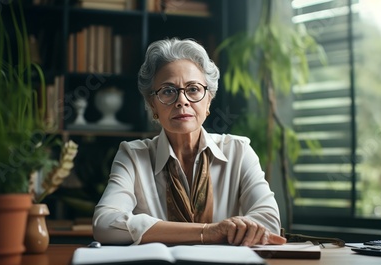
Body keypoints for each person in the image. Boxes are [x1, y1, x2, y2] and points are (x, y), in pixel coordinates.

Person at [93, 38, 286, 247]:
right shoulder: (132, 156)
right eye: (168, 91)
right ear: (153, 104)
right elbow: (104, 224)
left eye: (193, 89)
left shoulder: (238, 152)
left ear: (209, 100)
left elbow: (269, 223)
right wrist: (209, 232)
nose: (182, 100)